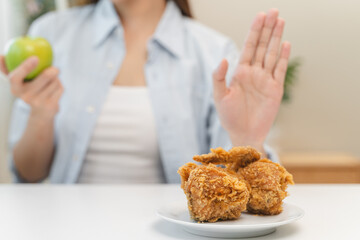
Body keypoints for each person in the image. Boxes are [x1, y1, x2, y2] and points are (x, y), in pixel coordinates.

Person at [0, 0, 291, 183]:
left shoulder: (214, 53)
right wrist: (41, 113)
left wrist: (248, 140)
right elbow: (28, 174)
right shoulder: (50, 33)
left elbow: (238, 194)